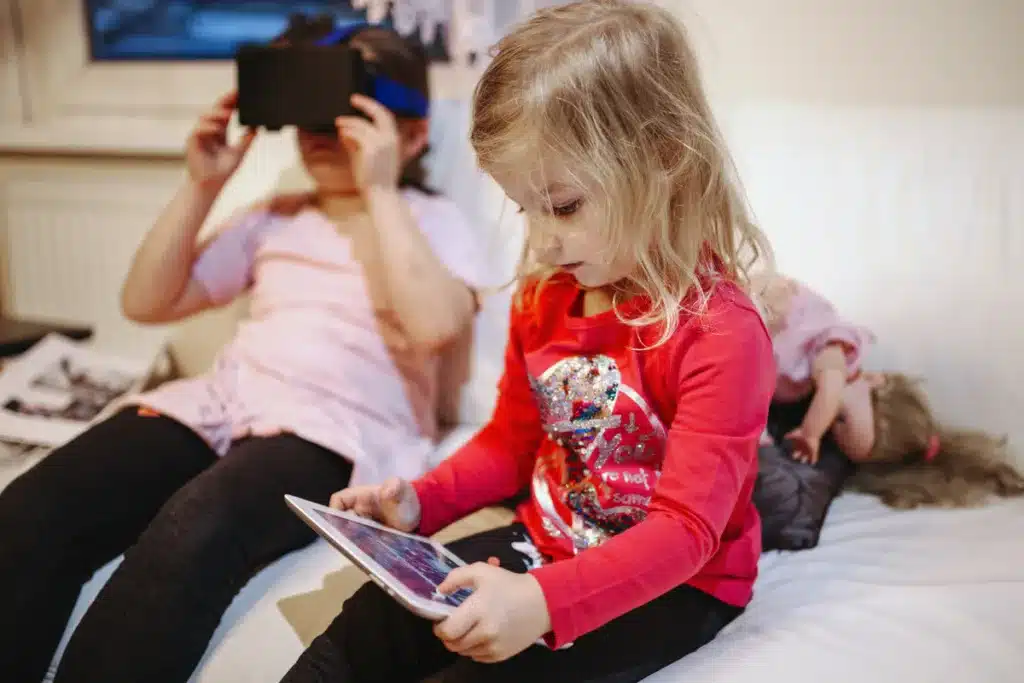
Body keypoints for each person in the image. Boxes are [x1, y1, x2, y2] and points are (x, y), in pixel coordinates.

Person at [280, 2, 776, 682]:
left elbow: (687, 532)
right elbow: (511, 443)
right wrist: (420, 502)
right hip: (547, 536)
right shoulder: (546, 293)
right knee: (371, 621)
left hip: (676, 583)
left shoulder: (722, 333)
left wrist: (541, 602)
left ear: (664, 159)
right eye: (526, 208)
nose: (542, 240)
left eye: (565, 205)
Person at [0, 19, 486, 683]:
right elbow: (147, 300)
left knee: (195, 524)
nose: (322, 127)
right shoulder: (277, 212)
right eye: (309, 106)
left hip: (331, 425)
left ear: (413, 133)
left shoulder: (432, 221)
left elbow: (434, 326)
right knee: (40, 501)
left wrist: (378, 187)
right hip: (222, 401)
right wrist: (203, 184)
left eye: (346, 108)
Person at [753, 271, 1024, 508]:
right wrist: (811, 433)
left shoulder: (801, 391)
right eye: (843, 418)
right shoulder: (838, 355)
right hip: (760, 302)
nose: (829, 425)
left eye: (833, 429)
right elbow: (829, 388)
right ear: (874, 380)